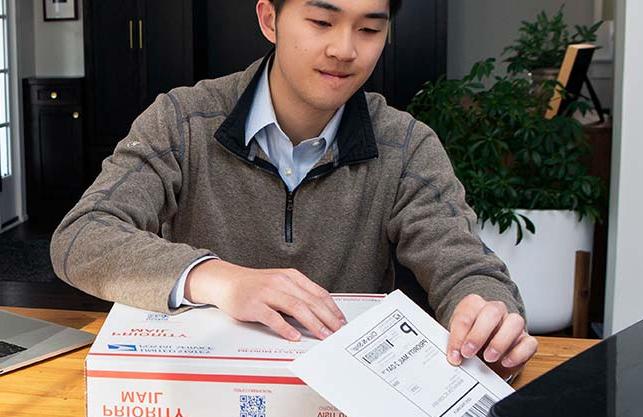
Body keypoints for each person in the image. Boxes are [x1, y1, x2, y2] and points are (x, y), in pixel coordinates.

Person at [50, 0, 537, 379]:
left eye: (369, 29)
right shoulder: (183, 120)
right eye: (322, 22)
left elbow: (465, 264)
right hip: (203, 388)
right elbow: (82, 238)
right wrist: (221, 279)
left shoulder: (406, 145)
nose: (345, 50)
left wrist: (487, 310)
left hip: (341, 404)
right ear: (270, 18)